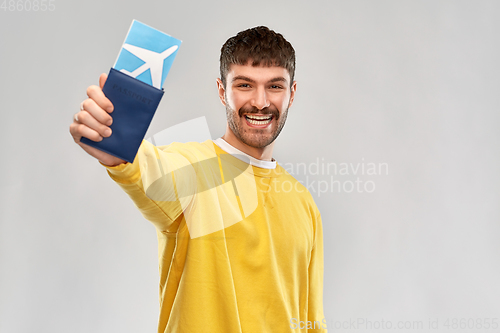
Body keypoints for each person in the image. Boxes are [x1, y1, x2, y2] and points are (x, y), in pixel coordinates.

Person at [69, 26, 326, 333]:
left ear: (291, 94)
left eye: (274, 86)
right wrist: (112, 140)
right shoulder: (191, 169)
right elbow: (144, 168)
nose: (260, 102)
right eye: (244, 85)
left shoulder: (304, 203)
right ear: (222, 91)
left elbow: (312, 321)